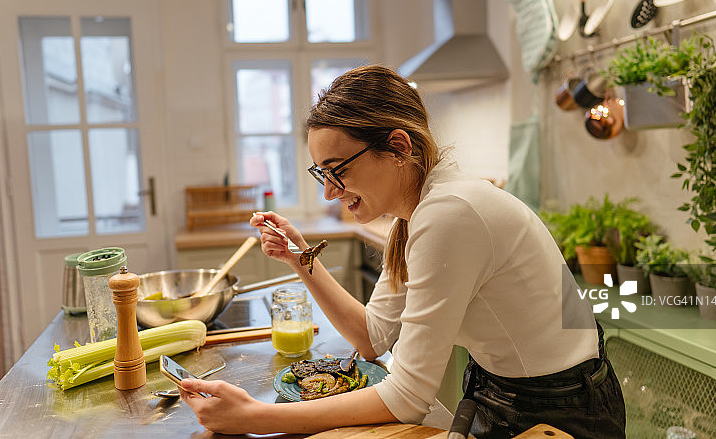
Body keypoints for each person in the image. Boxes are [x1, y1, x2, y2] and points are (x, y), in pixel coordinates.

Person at [179, 65, 626, 438]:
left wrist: (255, 417)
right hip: (507, 393)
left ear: (397, 147)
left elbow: (406, 399)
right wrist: (300, 257)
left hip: (560, 411)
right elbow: (372, 338)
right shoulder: (416, 214)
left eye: (338, 171)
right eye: (322, 174)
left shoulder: (448, 215)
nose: (332, 192)